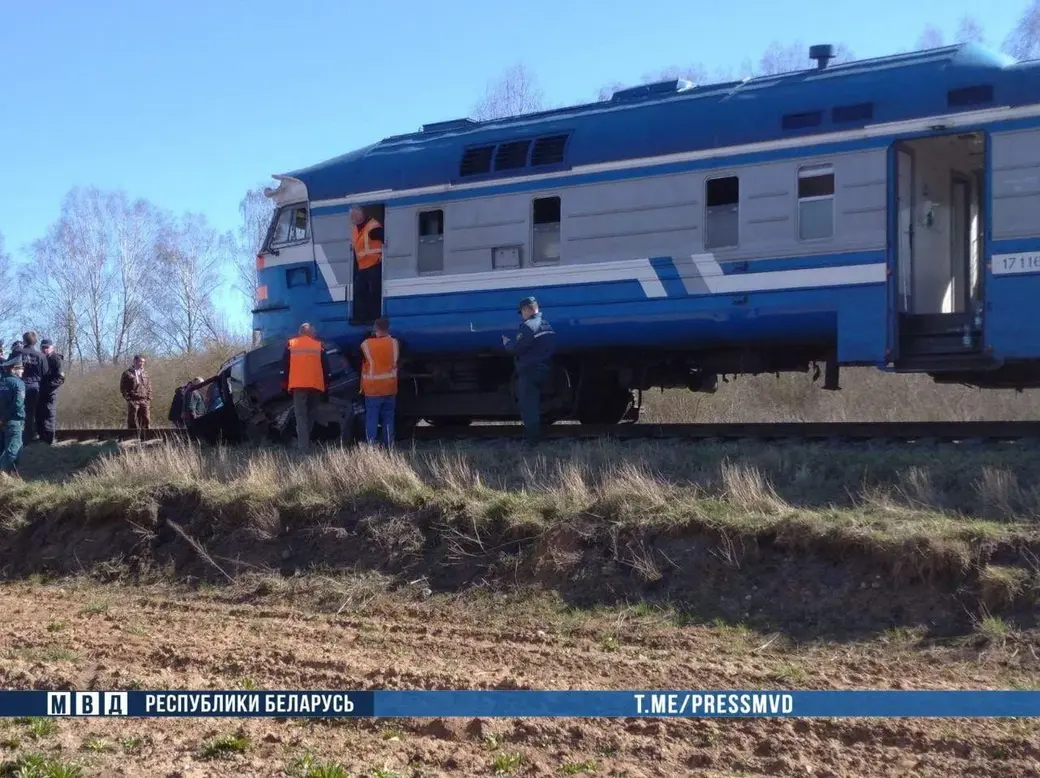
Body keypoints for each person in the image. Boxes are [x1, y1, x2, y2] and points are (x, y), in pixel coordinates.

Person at [502, 296, 556, 445]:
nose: (522, 315)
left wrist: (507, 343)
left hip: (529, 371)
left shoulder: (528, 326)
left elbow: (517, 348)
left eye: (522, 312)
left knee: (529, 406)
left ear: (527, 309)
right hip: (545, 368)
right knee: (535, 403)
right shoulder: (547, 325)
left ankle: (532, 440)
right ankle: (537, 434)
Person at [282, 323, 332, 451]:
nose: (315, 333)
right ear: (308, 332)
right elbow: (326, 367)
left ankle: (303, 447)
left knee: (301, 416)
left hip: (298, 385)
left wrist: (284, 382)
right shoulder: (318, 345)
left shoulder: (291, 344)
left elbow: (285, 366)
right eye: (314, 330)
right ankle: (305, 443)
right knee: (311, 414)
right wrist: (327, 384)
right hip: (315, 385)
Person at [359, 317, 399, 447]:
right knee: (388, 417)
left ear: (375, 328)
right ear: (388, 328)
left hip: (373, 388)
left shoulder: (366, 344)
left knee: (372, 417)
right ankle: (388, 444)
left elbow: (362, 351)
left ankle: (371, 443)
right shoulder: (394, 343)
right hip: (390, 386)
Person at [350, 206, 384, 324]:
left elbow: (386, 239)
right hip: (362, 267)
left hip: (374, 264)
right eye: (352, 216)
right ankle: (362, 318)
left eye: (354, 215)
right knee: (360, 293)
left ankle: (374, 318)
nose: (353, 218)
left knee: (374, 292)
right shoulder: (354, 229)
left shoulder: (373, 227)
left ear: (361, 215)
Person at [16, 331, 46, 445]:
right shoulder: (41, 356)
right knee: (31, 413)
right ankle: (29, 437)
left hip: (18, 387)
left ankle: (16, 437)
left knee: (16, 411)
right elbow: (45, 373)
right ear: (35, 341)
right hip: (34, 387)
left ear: (24, 341)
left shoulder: (17, 352)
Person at [0, 355, 26, 475]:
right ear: (13, 369)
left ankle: (13, 475)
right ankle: (2, 473)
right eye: (20, 368)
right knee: (13, 450)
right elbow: (17, 405)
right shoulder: (18, 383)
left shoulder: (2, 382)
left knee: (14, 448)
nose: (23, 371)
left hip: (2, 422)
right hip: (14, 421)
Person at [36, 339, 64, 445]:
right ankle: (41, 438)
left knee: (49, 415)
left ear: (52, 348)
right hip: (39, 392)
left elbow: (60, 378)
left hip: (50, 392)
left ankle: (48, 441)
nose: (44, 349)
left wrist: (48, 387)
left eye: (47, 347)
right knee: (39, 415)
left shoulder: (55, 359)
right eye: (43, 347)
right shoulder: (40, 358)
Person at [120, 354, 152, 431]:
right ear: (134, 361)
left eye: (143, 362)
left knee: (146, 418)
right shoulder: (127, 373)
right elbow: (123, 388)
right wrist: (128, 399)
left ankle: (146, 435)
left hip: (144, 399)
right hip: (133, 399)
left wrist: (149, 398)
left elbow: (149, 386)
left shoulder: (145, 373)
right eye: (140, 361)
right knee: (132, 419)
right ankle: (132, 435)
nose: (142, 363)